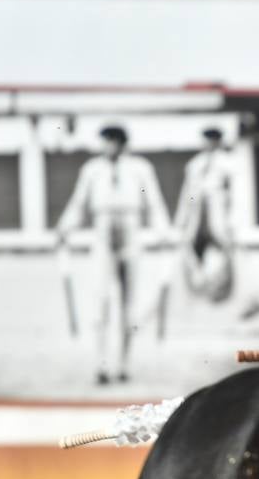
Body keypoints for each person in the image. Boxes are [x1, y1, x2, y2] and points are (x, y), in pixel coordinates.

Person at [55, 125, 171, 385]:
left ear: (122, 143)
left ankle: (124, 364)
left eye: (111, 142)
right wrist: (65, 227)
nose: (107, 147)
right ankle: (101, 364)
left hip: (131, 229)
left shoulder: (140, 168)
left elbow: (153, 201)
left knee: (130, 303)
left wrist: (162, 230)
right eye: (104, 142)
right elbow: (79, 202)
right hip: (103, 230)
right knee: (101, 300)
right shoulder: (92, 169)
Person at [172, 127, 239, 302]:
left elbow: (235, 194)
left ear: (218, 141)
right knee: (191, 248)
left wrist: (233, 220)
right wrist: (182, 219)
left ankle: (221, 289)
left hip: (218, 212)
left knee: (224, 251)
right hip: (198, 213)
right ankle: (198, 287)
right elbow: (188, 193)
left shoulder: (229, 163)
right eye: (206, 140)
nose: (208, 143)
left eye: (212, 140)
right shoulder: (195, 164)